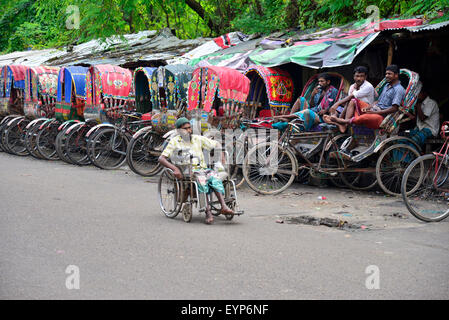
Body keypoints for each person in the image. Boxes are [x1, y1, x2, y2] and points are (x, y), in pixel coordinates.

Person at [158, 117, 234, 224]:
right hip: (187, 171)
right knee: (202, 181)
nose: (189, 130)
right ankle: (208, 212)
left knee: (215, 178)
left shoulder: (197, 139)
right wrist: (175, 169)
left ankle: (223, 206)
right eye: (186, 128)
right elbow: (161, 158)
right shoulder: (174, 142)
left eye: (190, 128)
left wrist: (222, 156)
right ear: (179, 130)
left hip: (202, 169)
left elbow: (216, 143)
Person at [331, 65, 405, 130]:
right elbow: (378, 101)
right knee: (353, 101)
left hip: (384, 117)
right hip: (375, 109)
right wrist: (369, 107)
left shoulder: (399, 89)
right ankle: (343, 122)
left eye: (389, 74)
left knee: (364, 117)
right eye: (386, 74)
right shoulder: (386, 86)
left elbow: (394, 108)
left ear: (396, 75)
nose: (386, 76)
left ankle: (343, 122)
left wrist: (376, 112)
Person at [273, 73, 339, 131]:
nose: (319, 83)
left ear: (328, 82)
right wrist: (312, 96)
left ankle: (287, 118)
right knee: (300, 99)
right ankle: (289, 118)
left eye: (322, 81)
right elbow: (312, 105)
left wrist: (326, 110)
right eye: (319, 81)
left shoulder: (333, 91)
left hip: (321, 116)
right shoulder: (319, 90)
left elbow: (334, 106)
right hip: (314, 110)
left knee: (307, 111)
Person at [323, 66, 376, 133]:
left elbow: (351, 97)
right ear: (354, 77)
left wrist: (337, 104)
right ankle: (340, 122)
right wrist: (338, 115)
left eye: (361, 76)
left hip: (365, 109)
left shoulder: (368, 86)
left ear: (365, 77)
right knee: (331, 113)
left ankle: (343, 123)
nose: (359, 78)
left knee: (352, 100)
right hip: (353, 109)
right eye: (357, 76)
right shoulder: (352, 86)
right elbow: (347, 102)